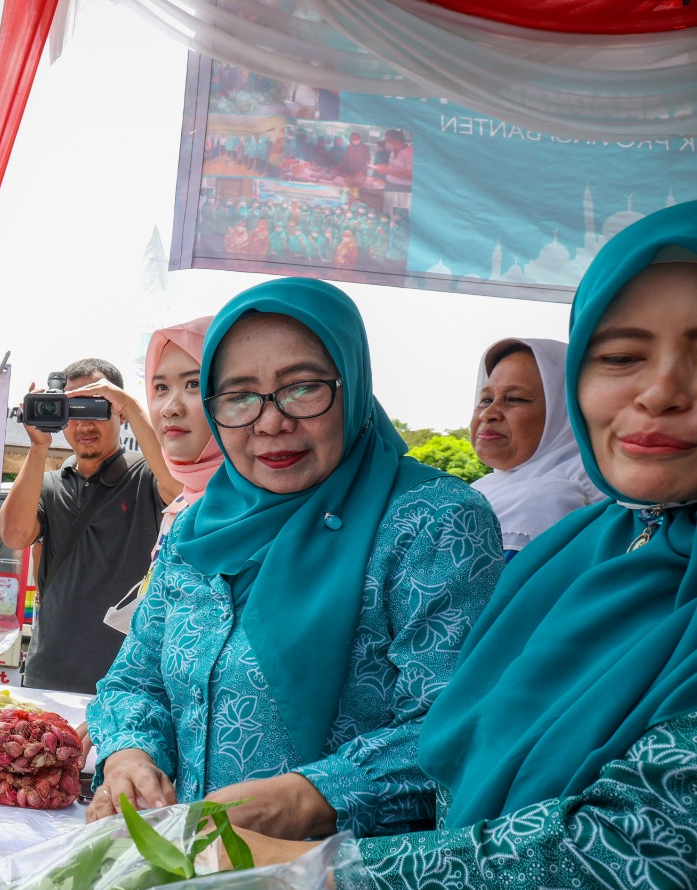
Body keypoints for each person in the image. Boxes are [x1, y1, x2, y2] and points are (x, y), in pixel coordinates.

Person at [235, 201, 697, 890]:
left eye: (302, 387)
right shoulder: (581, 551)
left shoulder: (441, 520)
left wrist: (320, 863)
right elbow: (462, 761)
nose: (661, 388)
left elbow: (641, 857)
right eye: (622, 355)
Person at [85, 278, 503, 839]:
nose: (270, 421)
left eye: (302, 387)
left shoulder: (431, 521)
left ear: (351, 384)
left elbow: (456, 726)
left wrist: (306, 799)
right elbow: (135, 680)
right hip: (186, 870)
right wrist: (129, 757)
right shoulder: (196, 529)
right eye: (238, 396)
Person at [0, 358, 178, 694]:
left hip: (129, 680)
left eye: (95, 408)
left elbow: (179, 492)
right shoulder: (49, 483)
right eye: (72, 411)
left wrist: (135, 407)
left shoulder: (146, 475)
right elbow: (14, 535)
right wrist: (39, 446)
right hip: (49, 672)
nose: (84, 424)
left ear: (120, 412)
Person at [470, 337, 603, 555]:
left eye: (515, 399)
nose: (488, 414)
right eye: (486, 399)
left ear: (567, 412)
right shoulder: (486, 488)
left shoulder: (545, 500)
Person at [145, 317, 223, 541]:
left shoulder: (266, 513)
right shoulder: (184, 503)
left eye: (193, 384)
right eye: (161, 387)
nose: (170, 409)